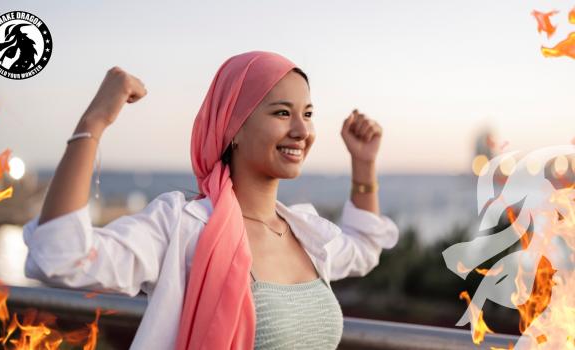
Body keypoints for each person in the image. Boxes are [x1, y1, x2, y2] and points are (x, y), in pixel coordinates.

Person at [22, 51, 399, 350]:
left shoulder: (304, 231)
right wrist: (94, 121)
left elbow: (365, 248)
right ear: (233, 127)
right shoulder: (184, 227)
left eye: (308, 114)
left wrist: (363, 164)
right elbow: (60, 256)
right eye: (282, 112)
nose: (302, 130)